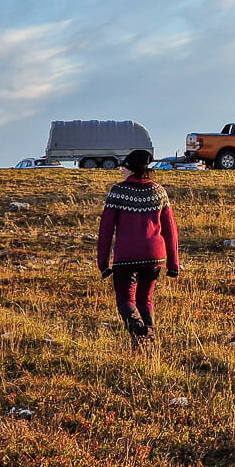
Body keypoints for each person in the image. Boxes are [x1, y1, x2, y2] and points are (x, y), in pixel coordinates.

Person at [97, 149, 180, 348]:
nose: (121, 170)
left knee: (126, 300)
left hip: (126, 257)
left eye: (123, 167)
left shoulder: (118, 191)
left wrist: (103, 263)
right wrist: (173, 264)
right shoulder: (159, 191)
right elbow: (170, 230)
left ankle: (136, 327)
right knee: (145, 299)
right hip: (154, 256)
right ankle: (147, 340)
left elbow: (106, 229)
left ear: (130, 169)